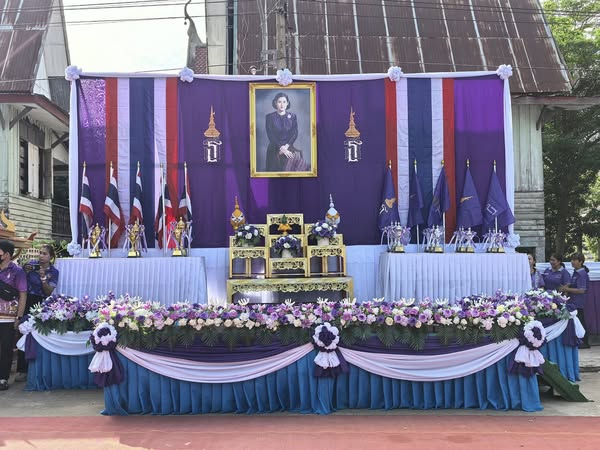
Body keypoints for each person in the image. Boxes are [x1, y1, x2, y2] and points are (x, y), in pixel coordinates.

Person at [16, 244, 59, 381]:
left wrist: (43, 278)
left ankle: (38, 368)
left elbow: (49, 292)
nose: (41, 256)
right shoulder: (31, 265)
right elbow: (20, 282)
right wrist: (24, 270)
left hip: (41, 303)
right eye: (40, 253)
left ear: (51, 257)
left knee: (39, 333)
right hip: (27, 300)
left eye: (45, 254)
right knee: (24, 332)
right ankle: (22, 369)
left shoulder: (54, 271)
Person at [0, 240, 27, 391]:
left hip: (8, 316)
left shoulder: (17, 271)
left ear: (7, 254)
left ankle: (3, 378)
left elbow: (23, 294)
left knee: (6, 348)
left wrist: (19, 317)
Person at [265, 92, 308, 172]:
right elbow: (270, 135)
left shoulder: (293, 116)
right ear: (275, 103)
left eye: (284, 102)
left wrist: (286, 147)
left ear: (287, 103)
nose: (282, 104)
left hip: (289, 148)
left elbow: (294, 133)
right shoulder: (269, 117)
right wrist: (281, 148)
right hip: (274, 149)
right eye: (279, 102)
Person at [559, 253, 590, 349]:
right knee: (577, 321)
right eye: (571, 260)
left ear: (580, 262)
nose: (572, 262)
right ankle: (580, 341)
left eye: (574, 260)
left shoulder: (582, 274)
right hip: (573, 301)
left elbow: (582, 290)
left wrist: (567, 289)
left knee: (580, 321)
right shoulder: (575, 272)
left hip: (578, 302)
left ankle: (585, 342)